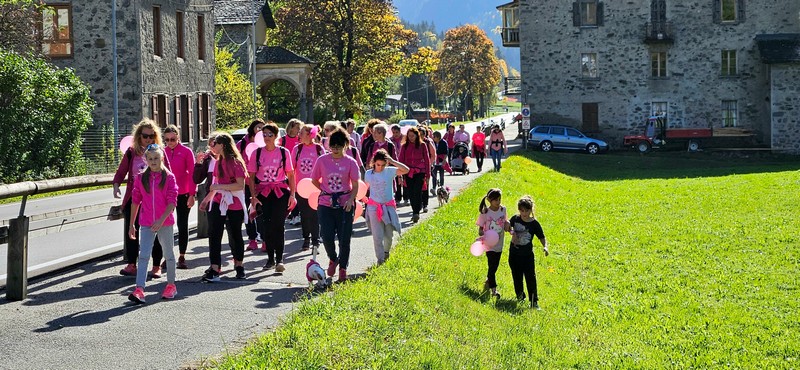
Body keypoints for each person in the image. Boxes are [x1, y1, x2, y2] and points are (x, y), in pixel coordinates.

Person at [113, 118, 170, 277]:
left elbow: (168, 173)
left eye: (152, 136)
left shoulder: (160, 152)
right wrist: (116, 185)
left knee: (155, 231)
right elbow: (122, 170)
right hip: (135, 197)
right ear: (139, 136)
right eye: (145, 136)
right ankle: (132, 264)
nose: (148, 139)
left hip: (155, 198)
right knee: (132, 230)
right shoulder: (132, 152)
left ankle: (156, 265)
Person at [127, 144, 179, 303]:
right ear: (146, 160)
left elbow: (172, 202)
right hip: (146, 222)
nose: (153, 161)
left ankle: (171, 285)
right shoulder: (141, 178)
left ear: (162, 158)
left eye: (156, 158)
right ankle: (139, 289)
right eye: (150, 159)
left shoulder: (169, 177)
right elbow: (135, 201)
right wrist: (131, 224)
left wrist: (161, 220)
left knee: (169, 254)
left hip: (165, 222)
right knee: (143, 256)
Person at [310, 126, 360, 282]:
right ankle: (333, 258)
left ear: (345, 145)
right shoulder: (322, 160)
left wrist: (351, 200)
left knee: (345, 239)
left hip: (345, 205)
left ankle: (343, 268)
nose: (335, 149)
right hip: (325, 204)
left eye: (339, 146)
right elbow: (313, 180)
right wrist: (325, 191)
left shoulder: (351, 162)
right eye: (333, 146)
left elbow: (355, 184)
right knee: (326, 236)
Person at [198, 132, 248, 282]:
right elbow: (215, 184)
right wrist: (207, 199)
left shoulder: (236, 162)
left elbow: (240, 185)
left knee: (235, 234)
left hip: (235, 202)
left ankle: (239, 265)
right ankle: (214, 267)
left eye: (215, 144)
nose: (213, 147)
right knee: (214, 234)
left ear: (223, 145)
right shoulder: (218, 161)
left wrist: (220, 186)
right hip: (219, 201)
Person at [249, 122, 297, 272]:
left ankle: (279, 259)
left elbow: (290, 174)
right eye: (264, 135)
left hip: (280, 192)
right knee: (266, 226)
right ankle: (270, 258)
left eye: (270, 135)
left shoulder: (284, 152)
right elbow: (250, 177)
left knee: (279, 225)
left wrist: (292, 195)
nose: (267, 138)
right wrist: (253, 197)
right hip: (263, 192)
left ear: (276, 136)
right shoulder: (256, 153)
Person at [364, 149, 408, 265]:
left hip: (388, 206)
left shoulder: (389, 171)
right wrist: (362, 197)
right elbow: (364, 188)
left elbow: (406, 170)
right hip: (374, 207)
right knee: (377, 236)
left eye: (383, 165)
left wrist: (393, 161)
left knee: (389, 234)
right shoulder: (369, 174)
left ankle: (386, 252)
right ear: (374, 162)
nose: (380, 167)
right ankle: (380, 260)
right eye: (378, 165)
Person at [161, 125, 194, 269]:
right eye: (167, 140)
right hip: (167, 194)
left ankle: (182, 255)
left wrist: (192, 195)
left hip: (183, 193)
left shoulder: (186, 152)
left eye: (173, 139)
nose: (170, 142)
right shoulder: (163, 152)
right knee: (166, 226)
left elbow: (193, 175)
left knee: (182, 224)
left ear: (178, 137)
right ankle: (167, 256)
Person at [508, 195, 549, 310]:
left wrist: (545, 247)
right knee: (517, 277)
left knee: (531, 278)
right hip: (514, 254)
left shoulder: (534, 223)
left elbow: (542, 237)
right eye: (521, 210)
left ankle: (534, 302)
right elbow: (507, 226)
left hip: (527, 256)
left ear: (531, 210)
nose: (524, 213)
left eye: (526, 211)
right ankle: (520, 297)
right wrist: (511, 231)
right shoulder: (515, 219)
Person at [291, 124, 326, 251]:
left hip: (315, 187)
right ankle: (306, 238)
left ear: (310, 135)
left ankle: (315, 240)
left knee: (315, 213)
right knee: (304, 214)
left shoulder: (319, 149)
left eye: (301, 133)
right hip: (301, 187)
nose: (299, 135)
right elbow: (291, 168)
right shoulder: (297, 149)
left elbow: (325, 167)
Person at [237, 119, 265, 252]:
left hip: (261, 182)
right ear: (252, 128)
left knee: (261, 212)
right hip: (246, 183)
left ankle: (265, 239)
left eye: (262, 128)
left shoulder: (266, 142)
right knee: (248, 212)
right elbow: (236, 161)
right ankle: (252, 239)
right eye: (258, 127)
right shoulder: (242, 144)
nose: (260, 130)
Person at [475, 188, 508, 298]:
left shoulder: (503, 210)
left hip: (499, 243)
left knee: (495, 265)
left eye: (499, 199)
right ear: (489, 200)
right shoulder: (486, 212)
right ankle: (494, 290)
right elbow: (480, 227)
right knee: (491, 266)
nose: (498, 202)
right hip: (489, 244)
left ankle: (489, 280)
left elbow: (505, 222)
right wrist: (481, 232)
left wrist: (508, 226)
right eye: (495, 200)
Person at [398, 127, 430, 223]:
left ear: (417, 135)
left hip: (420, 172)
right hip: (408, 172)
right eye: (409, 136)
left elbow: (427, 160)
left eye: (413, 136)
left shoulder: (422, 145)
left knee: (417, 191)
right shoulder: (404, 146)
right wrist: (400, 175)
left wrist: (428, 175)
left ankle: (416, 212)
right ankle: (414, 210)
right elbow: (401, 160)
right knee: (411, 192)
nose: (411, 138)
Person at [282, 118, 303, 226]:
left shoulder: (300, 140)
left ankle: (296, 215)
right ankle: (292, 214)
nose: (299, 130)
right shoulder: (283, 140)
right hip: (285, 172)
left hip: (298, 171)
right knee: (289, 194)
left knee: (297, 193)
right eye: (297, 128)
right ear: (291, 127)